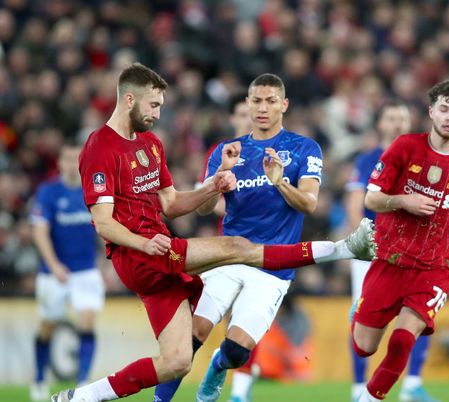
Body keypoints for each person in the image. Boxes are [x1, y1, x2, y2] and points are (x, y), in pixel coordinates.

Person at [51, 63, 375, 402]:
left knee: (178, 360)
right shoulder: (100, 146)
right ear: (129, 99)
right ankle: (344, 249)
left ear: (284, 104)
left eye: (161, 105)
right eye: (154, 105)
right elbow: (103, 222)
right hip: (142, 254)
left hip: (165, 252)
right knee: (237, 246)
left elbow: (172, 203)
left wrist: (214, 184)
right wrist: (144, 243)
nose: (159, 114)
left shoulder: (150, 143)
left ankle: (83, 396)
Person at [154, 72, 324, 402]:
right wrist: (217, 180)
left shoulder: (304, 148)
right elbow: (203, 211)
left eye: (271, 101)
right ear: (247, 104)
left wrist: (278, 181)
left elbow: (310, 203)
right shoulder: (227, 151)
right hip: (228, 257)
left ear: (284, 105)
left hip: (272, 267)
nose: (263, 108)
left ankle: (220, 364)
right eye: (256, 101)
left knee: (236, 351)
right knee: (190, 337)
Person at [351, 80, 449, 402]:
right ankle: (359, 316)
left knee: (402, 341)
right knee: (364, 346)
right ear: (431, 112)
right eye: (444, 109)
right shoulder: (404, 147)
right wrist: (403, 201)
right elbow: (372, 200)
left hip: (434, 267)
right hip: (389, 260)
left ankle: (370, 398)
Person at [344, 100, 439, 402]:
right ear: (380, 124)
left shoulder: (423, 158)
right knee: (361, 315)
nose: (397, 123)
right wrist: (364, 242)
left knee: (417, 313)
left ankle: (412, 383)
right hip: (373, 249)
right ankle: (359, 385)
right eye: (391, 118)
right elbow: (355, 203)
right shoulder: (368, 159)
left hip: (412, 249)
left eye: (402, 118)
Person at [30, 142, 104, 401]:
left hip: (86, 271)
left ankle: (83, 382)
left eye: (77, 159)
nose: (72, 164)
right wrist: (53, 265)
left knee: (86, 321)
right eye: (68, 159)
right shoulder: (48, 192)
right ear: (60, 163)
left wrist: (107, 263)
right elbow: (39, 232)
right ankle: (39, 380)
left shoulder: (92, 191)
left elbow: (104, 229)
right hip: (54, 273)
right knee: (47, 327)